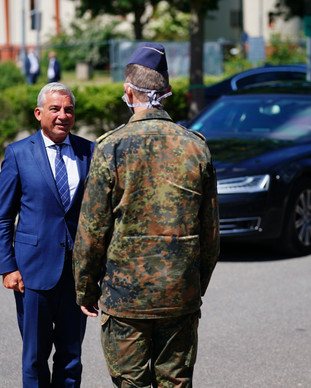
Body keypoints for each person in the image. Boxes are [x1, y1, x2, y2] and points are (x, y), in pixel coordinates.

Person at [72, 42, 220, 387]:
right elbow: (211, 232)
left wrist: (84, 289)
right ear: (165, 92)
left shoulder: (111, 146)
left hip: (125, 300)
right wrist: (194, 284)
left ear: (128, 91)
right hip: (179, 294)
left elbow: (92, 230)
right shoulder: (196, 146)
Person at [0, 82, 94, 387]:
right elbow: (3, 217)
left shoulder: (89, 151)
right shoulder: (18, 154)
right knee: (35, 357)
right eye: (55, 109)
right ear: (39, 113)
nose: (63, 115)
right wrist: (8, 267)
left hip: (76, 274)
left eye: (69, 109)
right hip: (32, 273)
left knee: (71, 356)